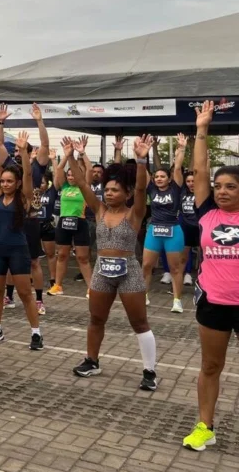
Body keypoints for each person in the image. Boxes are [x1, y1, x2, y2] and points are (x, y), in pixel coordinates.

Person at [64, 135, 158, 391]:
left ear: (126, 193)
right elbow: (83, 184)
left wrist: (141, 160)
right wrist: (71, 156)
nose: (109, 193)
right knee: (96, 318)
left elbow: (141, 189)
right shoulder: (99, 210)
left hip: (130, 271)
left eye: (115, 189)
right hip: (102, 271)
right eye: (107, 189)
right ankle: (92, 360)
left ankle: (149, 371)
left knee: (139, 323)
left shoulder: (135, 212)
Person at [180, 101, 238, 450]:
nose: (221, 190)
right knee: (211, 365)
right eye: (219, 186)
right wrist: (202, 129)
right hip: (214, 302)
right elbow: (199, 172)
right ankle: (205, 426)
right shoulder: (207, 214)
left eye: (230, 186)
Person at [0, 127, 43, 349]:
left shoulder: (24, 198)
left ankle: (36, 333)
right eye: (3, 180)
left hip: (18, 248)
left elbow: (27, 174)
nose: (5, 184)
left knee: (25, 292)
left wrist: (25, 152)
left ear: (16, 183)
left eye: (9, 181)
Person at [0, 104, 51, 313]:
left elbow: (45, 145)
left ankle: (38, 300)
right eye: (17, 149)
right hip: (10, 218)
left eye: (22, 149)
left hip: (30, 220)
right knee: (9, 260)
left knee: (34, 261)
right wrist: (0, 122)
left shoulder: (37, 167)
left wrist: (39, 120)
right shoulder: (10, 167)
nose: (19, 152)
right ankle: (9, 296)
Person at [142, 133, 186, 311]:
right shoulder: (151, 188)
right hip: (154, 230)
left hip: (173, 231)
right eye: (156, 176)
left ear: (168, 179)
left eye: (162, 176)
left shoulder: (176, 188)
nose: (159, 178)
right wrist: (142, 154)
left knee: (175, 268)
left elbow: (177, 169)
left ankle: (177, 300)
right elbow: (143, 172)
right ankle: (143, 295)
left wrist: (181, 149)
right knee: (146, 265)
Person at [48, 137, 94, 296]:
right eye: (69, 175)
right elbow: (58, 171)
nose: (71, 177)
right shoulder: (64, 186)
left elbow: (89, 169)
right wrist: (67, 155)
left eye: (73, 174)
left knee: (82, 257)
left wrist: (82, 153)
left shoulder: (84, 186)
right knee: (61, 254)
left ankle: (91, 288)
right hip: (63, 223)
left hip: (79, 223)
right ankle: (58, 285)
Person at [37, 167, 58, 314]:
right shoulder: (31, 192)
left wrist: (53, 161)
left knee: (51, 254)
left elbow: (57, 177)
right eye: (38, 182)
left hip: (47, 226)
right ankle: (32, 279)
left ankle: (53, 280)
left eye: (43, 182)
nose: (40, 185)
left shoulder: (51, 192)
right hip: (33, 226)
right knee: (34, 256)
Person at [179, 172, 199, 287]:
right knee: (182, 258)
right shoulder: (182, 193)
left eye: (193, 181)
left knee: (203, 258)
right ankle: (178, 282)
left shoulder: (203, 193)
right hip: (186, 228)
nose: (191, 183)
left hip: (199, 228)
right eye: (188, 181)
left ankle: (203, 282)